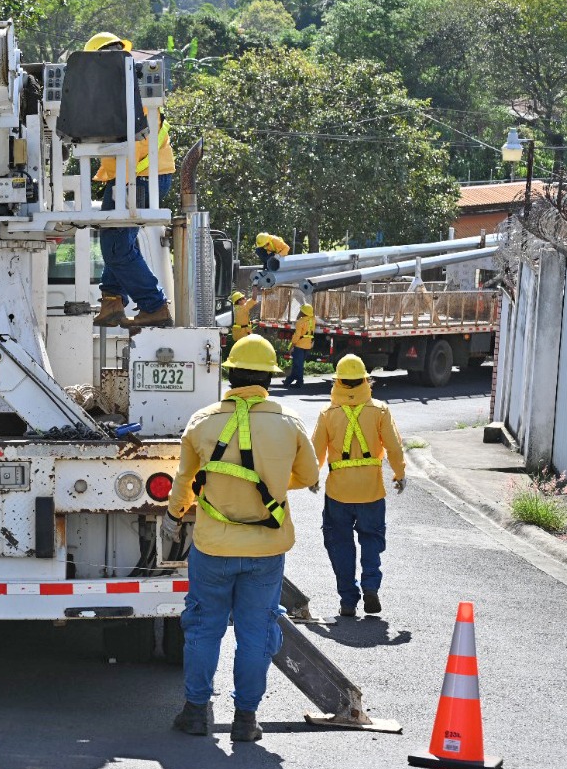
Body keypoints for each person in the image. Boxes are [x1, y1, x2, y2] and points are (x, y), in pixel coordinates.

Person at [164, 334, 320, 742]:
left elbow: (184, 481)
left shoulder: (203, 421)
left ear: (229, 373)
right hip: (266, 550)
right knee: (256, 634)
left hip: (213, 545)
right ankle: (245, 721)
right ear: (268, 379)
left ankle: (196, 712)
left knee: (202, 630)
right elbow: (309, 476)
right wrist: (270, 485)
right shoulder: (288, 423)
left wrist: (174, 513)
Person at [87, 31, 175, 328]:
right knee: (119, 241)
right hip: (135, 177)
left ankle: (154, 305)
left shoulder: (131, 92)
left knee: (115, 246)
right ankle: (111, 300)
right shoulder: (123, 90)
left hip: (138, 178)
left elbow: (132, 143)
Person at [311, 355, 406, 617]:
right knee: (372, 539)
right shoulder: (380, 410)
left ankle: (348, 600)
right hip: (371, 491)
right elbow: (394, 448)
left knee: (339, 544)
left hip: (338, 493)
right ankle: (371, 585)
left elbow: (315, 453)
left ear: (338, 382)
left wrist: (311, 478)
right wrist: (399, 474)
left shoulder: (328, 414)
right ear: (366, 380)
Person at [284, 304, 316, 388]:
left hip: (300, 345)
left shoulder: (300, 322)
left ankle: (299, 382)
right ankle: (289, 380)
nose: (300, 312)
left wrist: (291, 346)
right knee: (297, 364)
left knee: (298, 364)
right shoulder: (313, 320)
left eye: (301, 311)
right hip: (308, 345)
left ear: (303, 312)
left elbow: (297, 336)